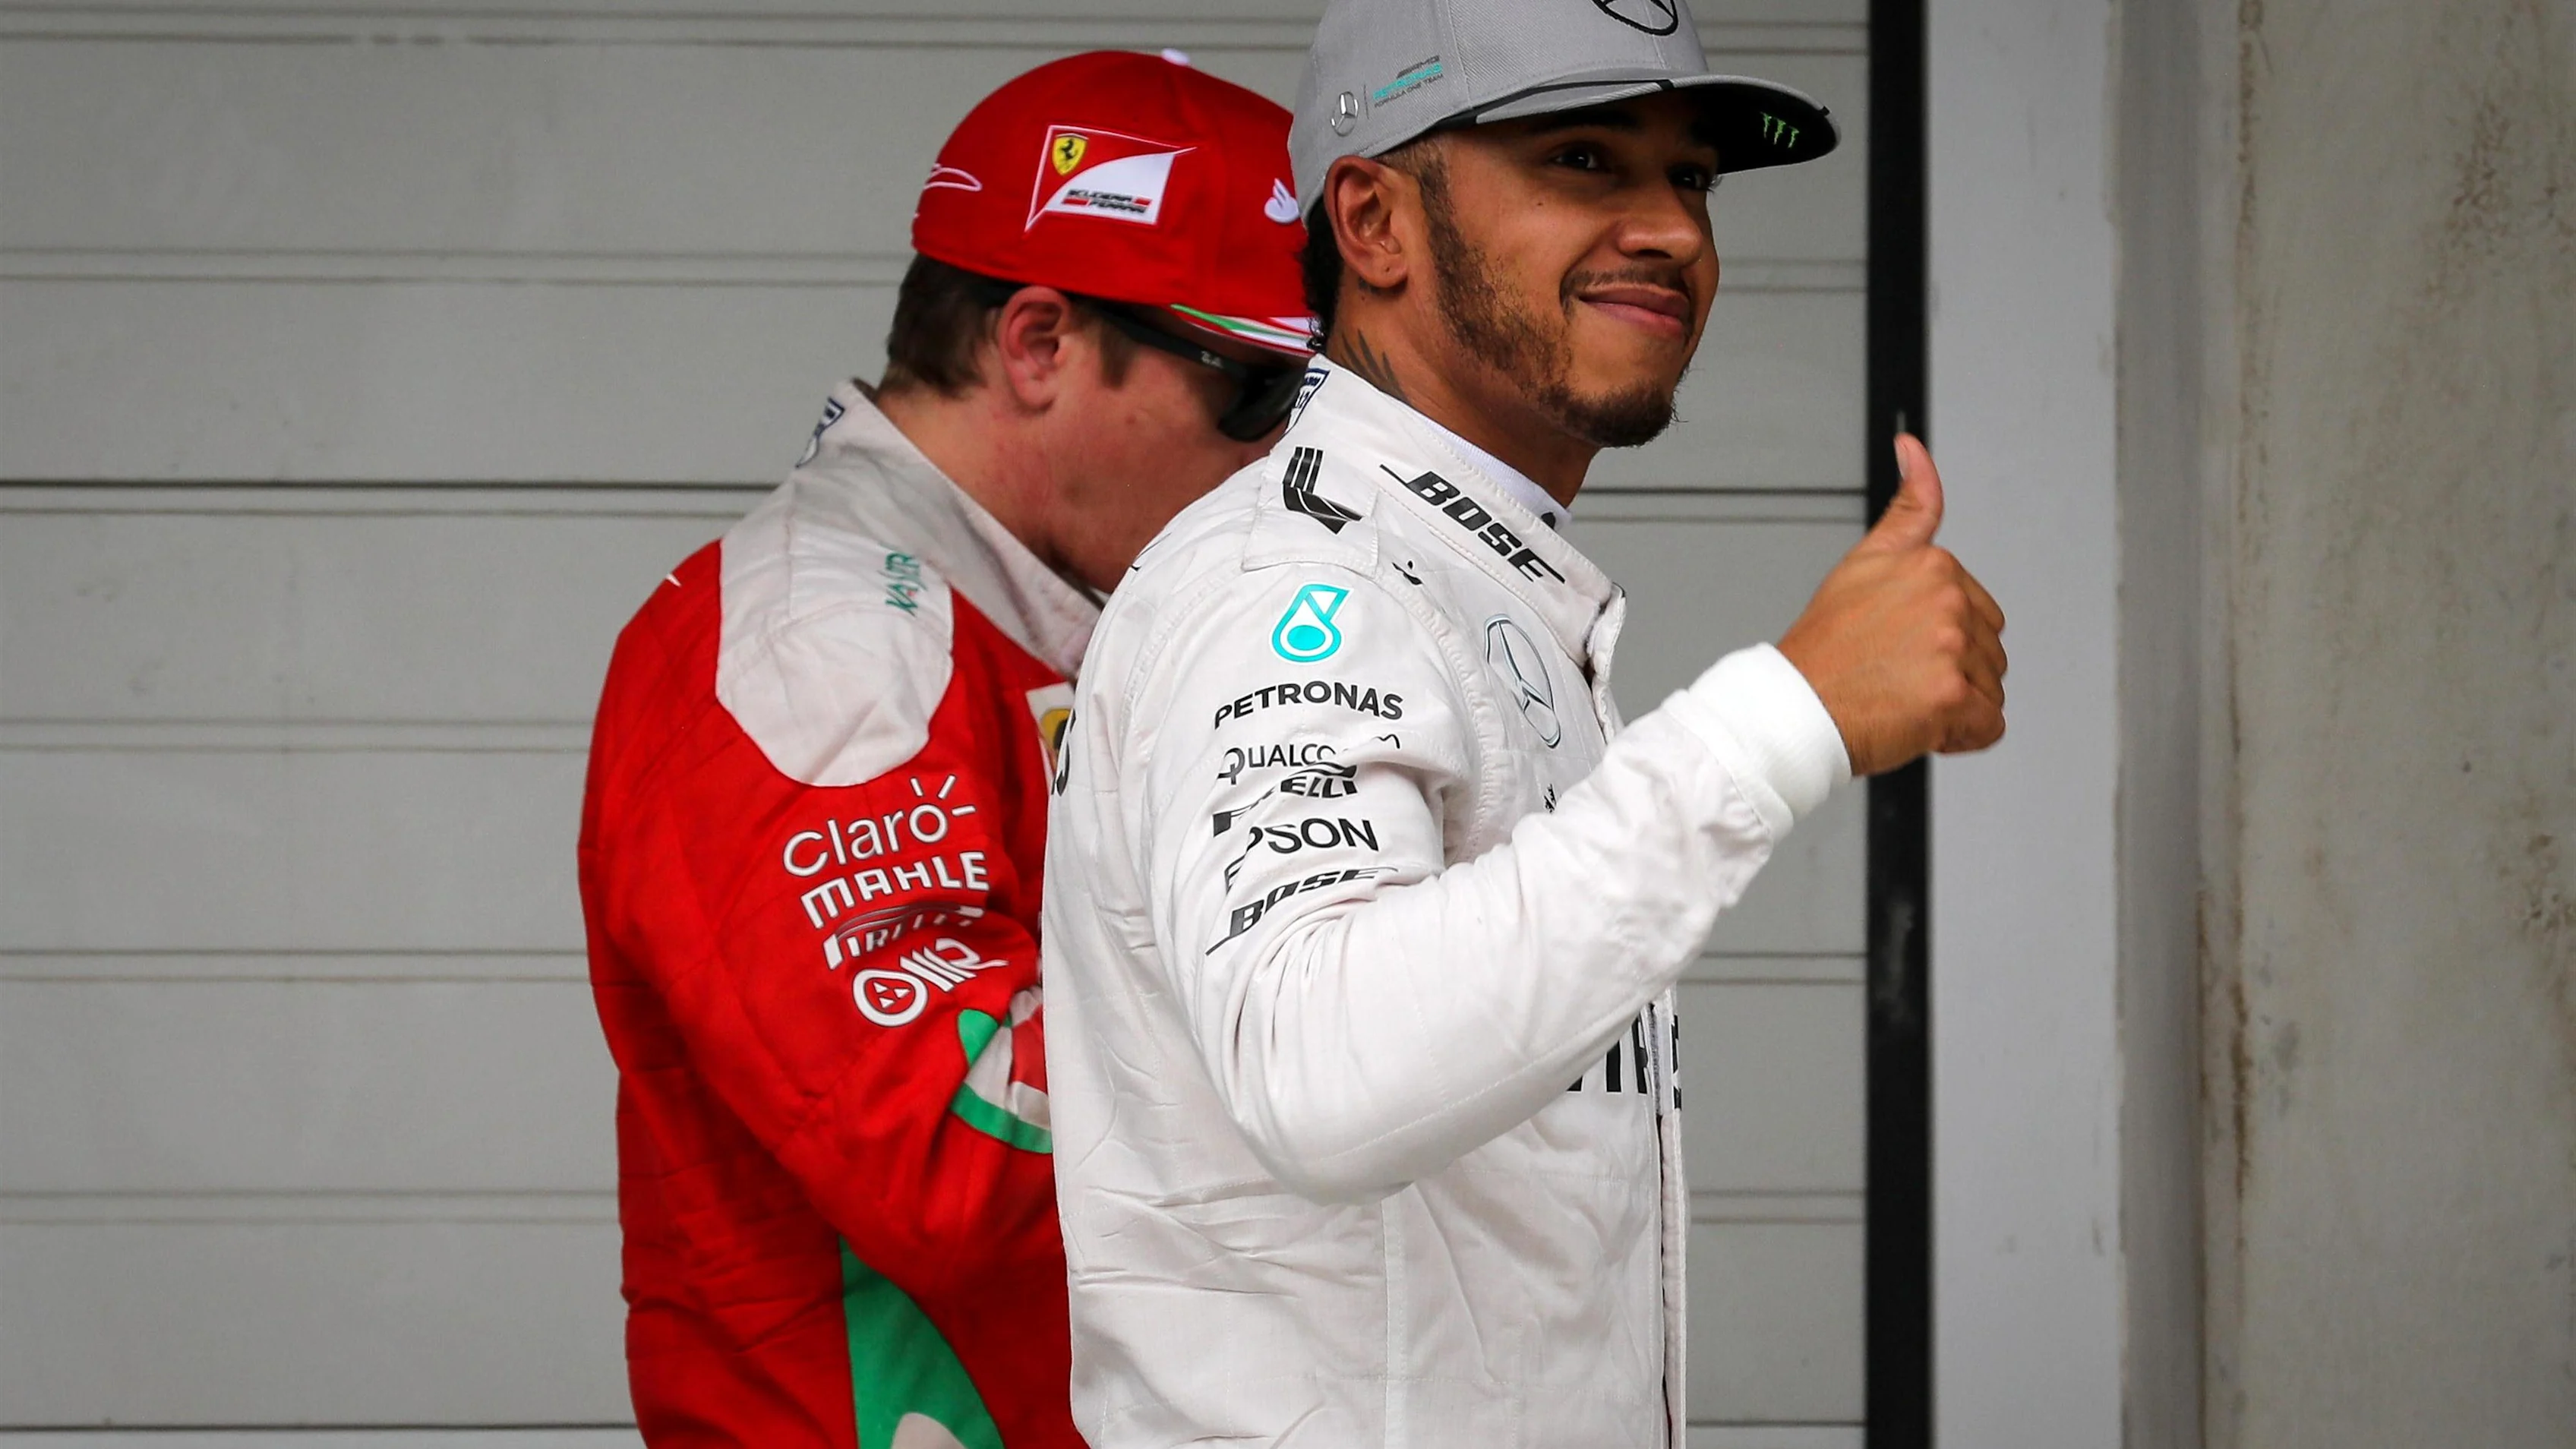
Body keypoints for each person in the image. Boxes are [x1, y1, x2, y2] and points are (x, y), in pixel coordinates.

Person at [1039, 2, 2008, 1444]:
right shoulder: (1298, 587)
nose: (1672, 228)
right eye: (1582, 158)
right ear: (1373, 223)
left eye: (1691, 177)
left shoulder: (1456, 576)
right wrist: (1786, 714)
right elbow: (1320, 1073)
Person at [576, 50, 1312, 1448]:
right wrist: (1367, 1025)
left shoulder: (1036, 617)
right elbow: (964, 1156)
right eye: (1257, 392)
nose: (1284, 459)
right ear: (1036, 343)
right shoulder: (828, 640)